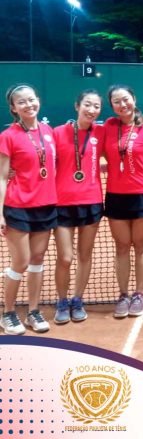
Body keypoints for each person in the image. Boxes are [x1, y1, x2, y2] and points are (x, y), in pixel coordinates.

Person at [0, 85, 57, 334]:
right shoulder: (8, 136)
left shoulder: (48, 131)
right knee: (20, 261)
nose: (28, 105)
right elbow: (2, 177)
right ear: (14, 108)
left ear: (38, 101)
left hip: (46, 205)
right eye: (21, 102)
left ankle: (33, 311)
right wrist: (0, 213)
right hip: (18, 206)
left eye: (31, 100)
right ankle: (8, 313)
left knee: (37, 260)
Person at [104, 85, 143, 318]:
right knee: (121, 246)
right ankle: (123, 294)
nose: (123, 104)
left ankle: (139, 294)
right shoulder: (108, 127)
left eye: (125, 99)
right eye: (117, 101)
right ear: (112, 106)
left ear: (134, 99)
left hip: (142, 195)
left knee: (140, 245)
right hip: (115, 195)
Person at [53, 90, 105, 324]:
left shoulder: (101, 133)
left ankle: (77, 299)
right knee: (65, 257)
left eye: (96, 106)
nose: (91, 110)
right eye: (87, 104)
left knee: (85, 255)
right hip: (62, 203)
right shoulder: (57, 132)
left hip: (91, 202)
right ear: (77, 106)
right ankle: (62, 301)